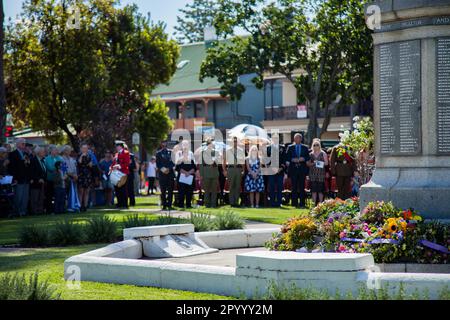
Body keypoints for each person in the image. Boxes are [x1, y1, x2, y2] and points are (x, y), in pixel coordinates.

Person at [285, 133, 310, 208]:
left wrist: (303, 159)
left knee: (302, 187)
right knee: (294, 187)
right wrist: (292, 159)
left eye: (298, 138)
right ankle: (294, 203)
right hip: (293, 170)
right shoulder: (290, 147)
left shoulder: (305, 147)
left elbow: (308, 157)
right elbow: (287, 157)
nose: (297, 139)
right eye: (295, 138)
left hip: (302, 170)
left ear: (301, 139)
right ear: (294, 139)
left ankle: (302, 203)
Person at [8, 138, 32, 216]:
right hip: (18, 179)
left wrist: (28, 162)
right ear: (17, 144)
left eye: (25, 144)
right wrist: (14, 178)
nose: (24, 145)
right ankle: (17, 212)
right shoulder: (12, 154)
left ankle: (23, 211)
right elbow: (12, 168)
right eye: (23, 144)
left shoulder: (26, 154)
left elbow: (28, 166)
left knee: (25, 197)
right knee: (18, 197)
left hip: (26, 178)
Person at [223, 137, 245, 207]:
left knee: (238, 186)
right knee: (231, 186)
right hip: (231, 169)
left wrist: (243, 170)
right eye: (233, 141)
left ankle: (236, 202)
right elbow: (223, 162)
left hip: (238, 169)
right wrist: (224, 171)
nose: (234, 143)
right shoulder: (228, 151)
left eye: (236, 141)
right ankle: (232, 202)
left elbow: (243, 162)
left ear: (237, 142)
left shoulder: (241, 151)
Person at [266, 134, 287, 208]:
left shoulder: (283, 148)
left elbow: (285, 159)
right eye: (274, 138)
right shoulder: (268, 148)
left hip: (280, 171)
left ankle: (279, 203)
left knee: (279, 187)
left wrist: (280, 168)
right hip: (271, 171)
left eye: (276, 138)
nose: (275, 139)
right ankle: (272, 202)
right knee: (271, 187)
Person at [199, 138, 220, 208]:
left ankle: (213, 204)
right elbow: (201, 164)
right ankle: (207, 204)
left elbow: (218, 161)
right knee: (207, 190)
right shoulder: (202, 152)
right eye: (210, 144)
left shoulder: (216, 152)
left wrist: (215, 161)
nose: (211, 145)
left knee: (214, 190)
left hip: (214, 172)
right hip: (206, 172)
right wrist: (201, 174)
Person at [307, 138, 329, 206]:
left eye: (317, 145)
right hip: (312, 174)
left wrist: (319, 163)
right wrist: (313, 163)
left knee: (320, 190)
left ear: (319, 146)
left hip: (321, 174)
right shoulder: (310, 154)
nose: (315, 146)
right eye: (314, 145)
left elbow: (326, 163)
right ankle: (314, 205)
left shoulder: (323, 153)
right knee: (313, 190)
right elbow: (307, 164)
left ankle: (320, 205)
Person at [175, 140, 196, 208]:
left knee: (189, 191)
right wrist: (185, 172)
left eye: (187, 145)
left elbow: (194, 167)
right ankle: (181, 205)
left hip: (189, 177)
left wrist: (189, 173)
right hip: (182, 176)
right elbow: (177, 167)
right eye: (184, 145)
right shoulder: (179, 154)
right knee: (181, 192)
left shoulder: (191, 155)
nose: (185, 146)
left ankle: (188, 204)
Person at [111, 141, 131, 209]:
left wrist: (119, 166)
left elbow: (127, 163)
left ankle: (125, 204)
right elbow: (114, 162)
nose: (116, 147)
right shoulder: (116, 154)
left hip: (123, 173)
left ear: (121, 146)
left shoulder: (126, 153)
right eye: (116, 146)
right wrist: (112, 167)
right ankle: (119, 203)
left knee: (124, 189)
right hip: (116, 174)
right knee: (117, 189)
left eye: (118, 146)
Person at [156, 140, 175, 210]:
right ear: (161, 144)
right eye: (162, 142)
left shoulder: (171, 152)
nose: (164, 144)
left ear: (167, 144)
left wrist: (168, 169)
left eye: (165, 142)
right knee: (163, 190)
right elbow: (158, 164)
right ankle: (164, 204)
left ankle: (169, 204)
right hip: (162, 174)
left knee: (170, 190)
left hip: (170, 174)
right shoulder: (158, 153)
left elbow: (173, 162)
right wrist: (164, 170)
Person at [44, 145, 63, 214]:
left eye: (57, 150)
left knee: (58, 196)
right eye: (55, 150)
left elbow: (63, 167)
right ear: (51, 151)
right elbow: (50, 168)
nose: (57, 151)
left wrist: (58, 167)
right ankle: (50, 210)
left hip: (59, 180)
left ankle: (59, 209)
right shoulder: (47, 159)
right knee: (49, 196)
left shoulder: (60, 158)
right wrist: (58, 168)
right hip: (50, 180)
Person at [61, 145, 79, 212]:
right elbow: (64, 170)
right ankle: (66, 207)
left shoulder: (72, 159)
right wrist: (71, 175)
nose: (69, 151)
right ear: (64, 151)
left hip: (73, 178)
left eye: (70, 150)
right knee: (66, 193)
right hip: (66, 178)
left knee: (73, 193)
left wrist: (76, 175)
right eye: (68, 150)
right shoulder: (62, 159)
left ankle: (73, 206)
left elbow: (75, 169)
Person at [29, 146, 47, 215]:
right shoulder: (33, 160)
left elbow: (44, 171)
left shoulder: (43, 160)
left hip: (42, 182)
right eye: (43, 152)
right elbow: (31, 172)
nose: (44, 153)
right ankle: (34, 211)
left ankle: (40, 210)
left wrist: (43, 179)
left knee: (41, 198)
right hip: (35, 183)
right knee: (35, 198)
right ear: (38, 153)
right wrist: (38, 179)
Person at [77, 144, 94, 212]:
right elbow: (79, 162)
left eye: (86, 148)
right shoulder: (79, 155)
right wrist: (82, 155)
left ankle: (85, 206)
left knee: (87, 191)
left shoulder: (89, 156)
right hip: (81, 175)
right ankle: (80, 206)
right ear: (81, 149)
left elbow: (91, 165)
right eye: (83, 148)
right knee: (81, 191)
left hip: (88, 175)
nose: (85, 150)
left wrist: (90, 164)